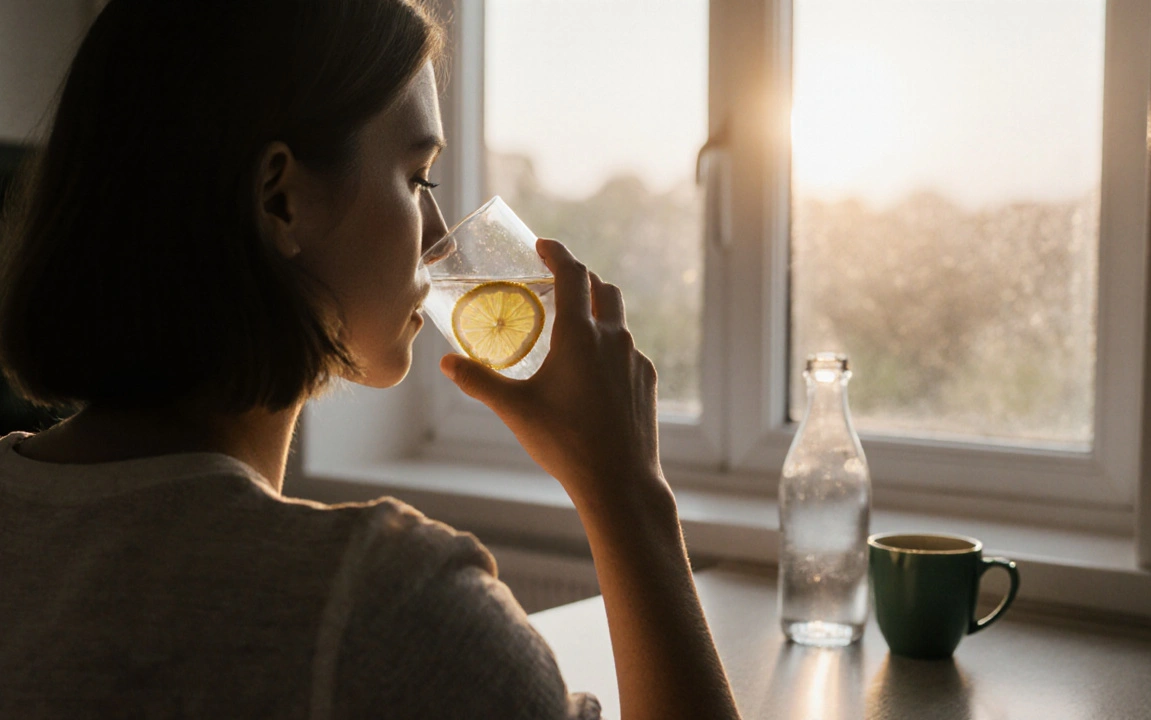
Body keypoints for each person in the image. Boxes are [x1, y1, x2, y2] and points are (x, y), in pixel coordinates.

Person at [0, 1, 742, 718]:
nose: (439, 233)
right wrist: (628, 493)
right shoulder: (384, 611)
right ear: (281, 199)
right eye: (419, 178)